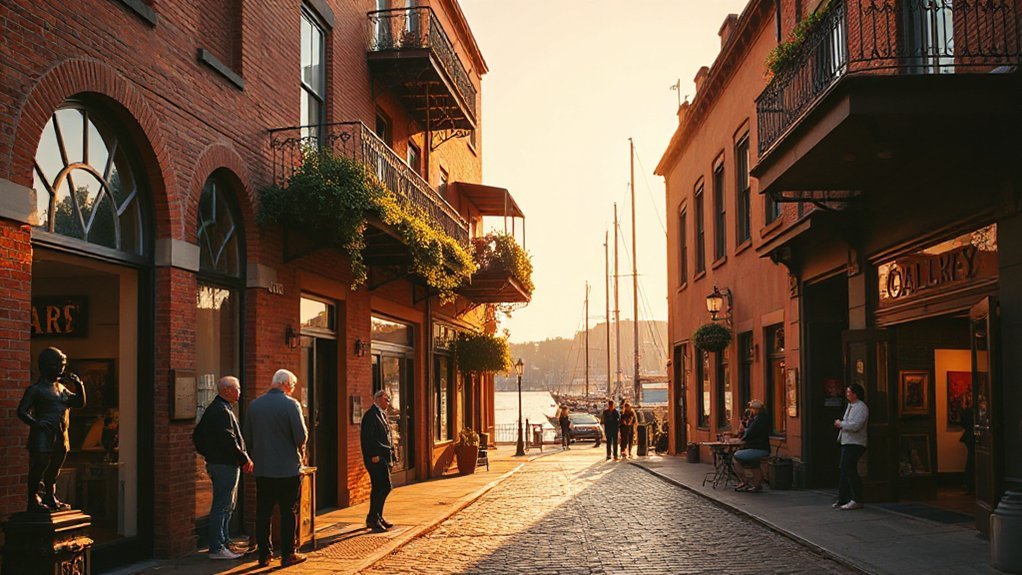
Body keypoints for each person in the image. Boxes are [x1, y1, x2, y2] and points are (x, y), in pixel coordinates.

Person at [244, 369, 308, 568]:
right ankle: (288, 554)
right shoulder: (291, 404)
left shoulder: (254, 405)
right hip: (288, 469)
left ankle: (264, 554)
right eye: (293, 386)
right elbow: (301, 437)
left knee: (263, 512)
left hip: (263, 469)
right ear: (286, 384)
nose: (292, 390)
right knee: (289, 512)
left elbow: (248, 436)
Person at [17, 347, 86, 512]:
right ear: (46, 366)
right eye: (57, 364)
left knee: (55, 468)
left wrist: (79, 385)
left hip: (61, 435)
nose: (61, 368)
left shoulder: (62, 389)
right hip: (42, 437)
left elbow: (79, 403)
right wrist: (36, 424)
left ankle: (50, 496)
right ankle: (33, 498)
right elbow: (21, 411)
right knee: (39, 467)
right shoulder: (36, 390)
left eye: (62, 365)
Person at [193, 376, 253, 560]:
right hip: (224, 464)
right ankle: (217, 547)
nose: (239, 392)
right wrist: (244, 458)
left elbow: (199, 437)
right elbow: (229, 440)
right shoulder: (220, 410)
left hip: (224, 462)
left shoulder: (222, 408)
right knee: (222, 505)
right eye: (237, 388)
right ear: (227, 390)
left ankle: (225, 541)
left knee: (228, 505)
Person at [361, 389, 396, 532]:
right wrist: (373, 454)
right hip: (376, 458)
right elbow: (367, 438)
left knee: (381, 487)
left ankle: (376, 516)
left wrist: (392, 455)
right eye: (386, 399)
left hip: (384, 456)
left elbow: (387, 436)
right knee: (383, 486)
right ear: (379, 399)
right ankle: (373, 518)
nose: (388, 402)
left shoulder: (382, 414)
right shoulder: (371, 415)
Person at [833, 383, 869, 510]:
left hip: (855, 443)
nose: (847, 394)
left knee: (849, 469)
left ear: (855, 394)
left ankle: (857, 498)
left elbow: (855, 425)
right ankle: (843, 498)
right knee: (844, 470)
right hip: (846, 442)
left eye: (849, 392)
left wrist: (841, 424)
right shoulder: (851, 406)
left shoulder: (861, 407)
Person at [732, 399, 771, 492]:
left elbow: (749, 432)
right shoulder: (762, 418)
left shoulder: (758, 419)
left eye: (752, 409)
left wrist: (743, 432)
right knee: (753, 463)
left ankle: (745, 481)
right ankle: (756, 484)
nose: (751, 411)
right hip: (762, 448)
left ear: (755, 409)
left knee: (735, 457)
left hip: (758, 449)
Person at [959, 394, 975, 494]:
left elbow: (963, 424)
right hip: (972, 437)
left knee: (970, 460)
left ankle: (969, 484)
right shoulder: (974, 412)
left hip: (969, 436)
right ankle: (970, 484)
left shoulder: (967, 411)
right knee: (972, 460)